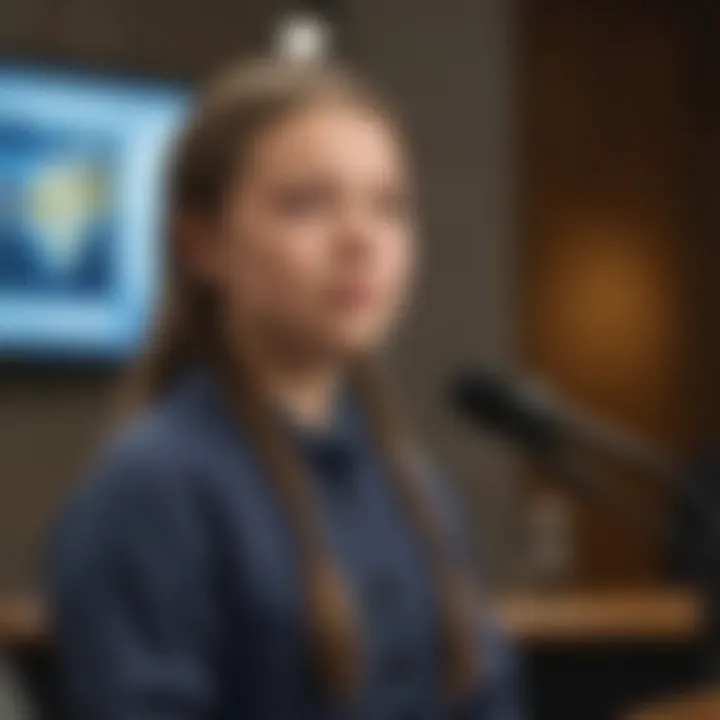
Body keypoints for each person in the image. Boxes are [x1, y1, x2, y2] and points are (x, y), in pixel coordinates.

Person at [47, 59, 521, 719]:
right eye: (306, 204)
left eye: (389, 206)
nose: (361, 240)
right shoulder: (150, 491)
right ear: (201, 245)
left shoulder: (421, 491)